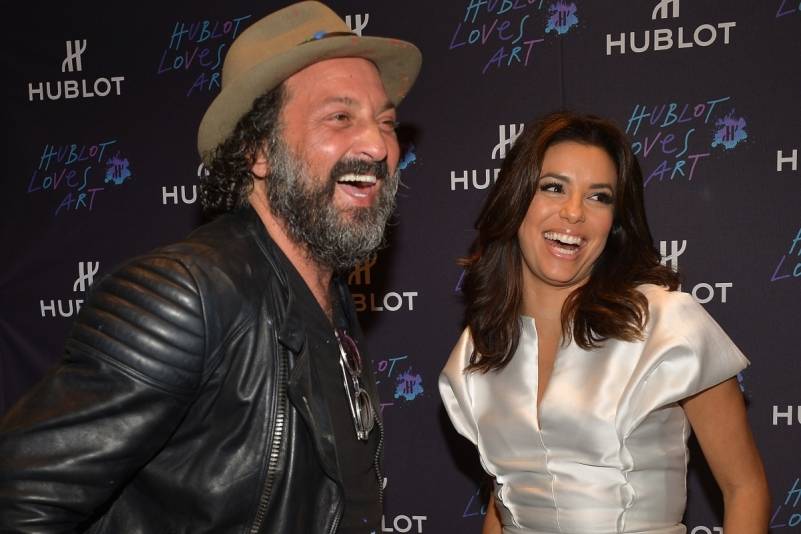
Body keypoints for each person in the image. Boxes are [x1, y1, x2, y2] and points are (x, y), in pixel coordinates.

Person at [0, 2, 421, 532]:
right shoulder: (187, 295)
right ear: (257, 150)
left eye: (386, 122)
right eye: (340, 117)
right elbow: (19, 504)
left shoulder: (329, 297)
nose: (378, 146)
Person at [439, 112, 769, 534]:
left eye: (599, 197)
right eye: (553, 187)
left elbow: (744, 488)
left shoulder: (665, 325)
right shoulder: (481, 345)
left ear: (615, 222)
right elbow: (505, 498)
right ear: (516, 199)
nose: (573, 212)